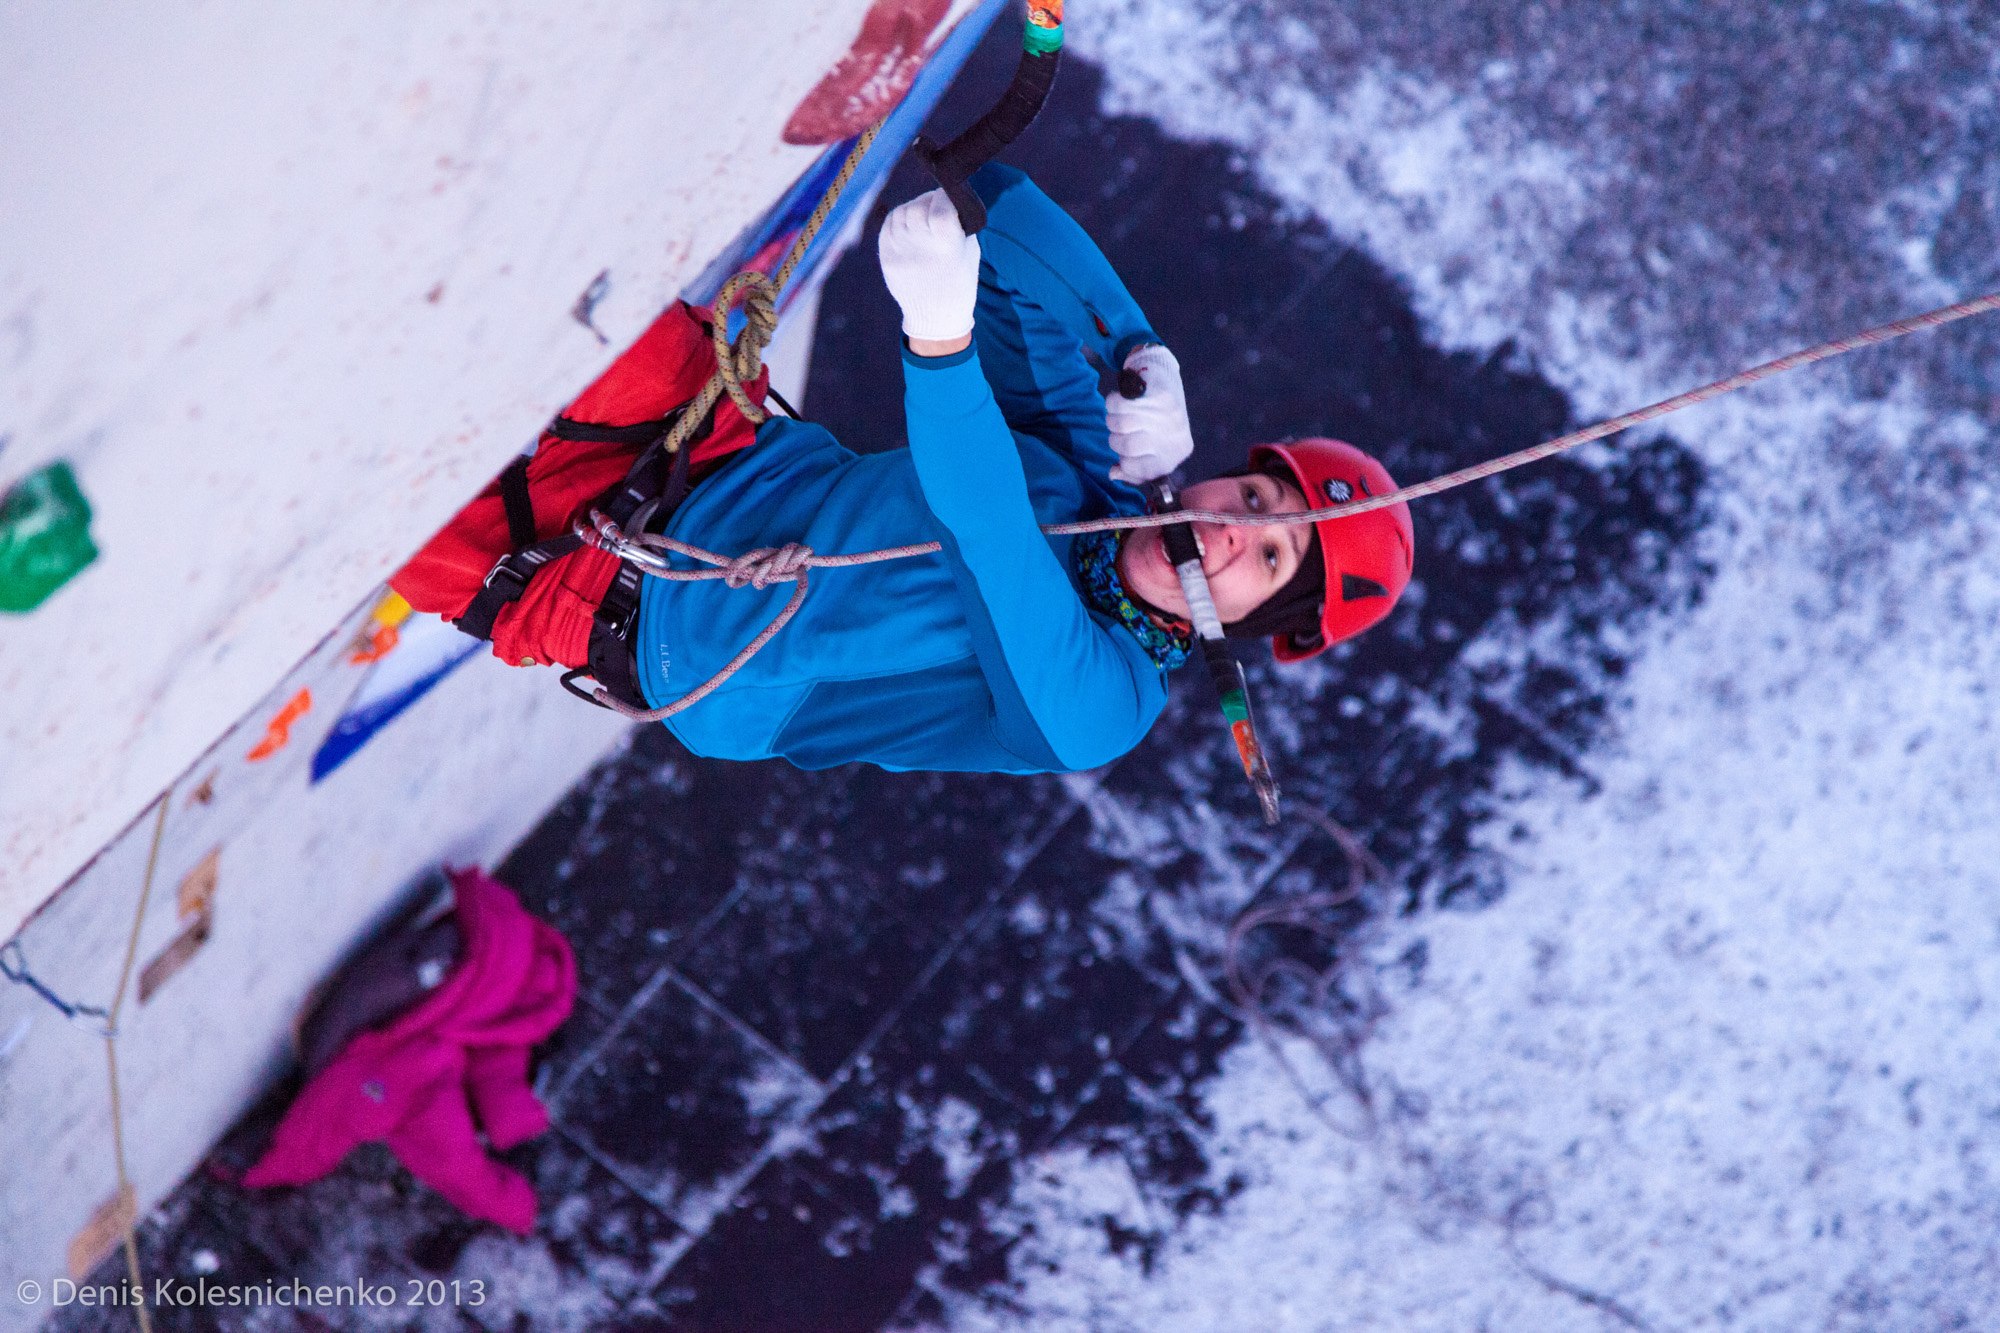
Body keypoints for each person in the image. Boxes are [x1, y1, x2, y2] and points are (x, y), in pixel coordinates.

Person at [391, 165, 1414, 774]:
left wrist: (939, 341)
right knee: (498, 260)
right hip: (697, 441)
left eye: (1271, 556)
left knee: (355, 513)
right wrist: (1127, 348)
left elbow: (995, 547)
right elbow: (996, 210)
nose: (1236, 530)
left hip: (603, 609)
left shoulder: (1099, 709)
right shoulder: (1086, 471)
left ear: (1246, 624)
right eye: (1252, 496)